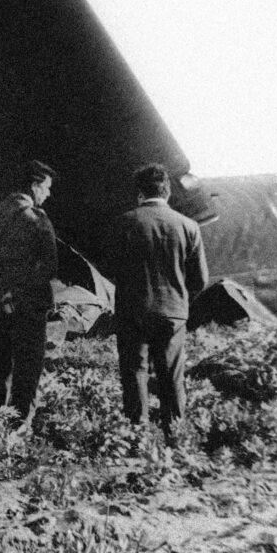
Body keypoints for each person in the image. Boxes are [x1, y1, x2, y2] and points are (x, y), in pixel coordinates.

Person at [103, 163, 208, 440]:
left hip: (133, 310)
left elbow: (109, 267)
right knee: (172, 375)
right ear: (168, 192)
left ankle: (138, 436)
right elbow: (200, 279)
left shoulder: (124, 222)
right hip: (173, 312)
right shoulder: (189, 226)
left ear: (139, 193)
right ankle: (175, 435)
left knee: (135, 371)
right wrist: (180, 298)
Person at [0, 160, 58, 427]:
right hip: (27, 307)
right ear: (34, 185)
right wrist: (19, 293)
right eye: (46, 187)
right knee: (27, 369)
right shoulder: (37, 219)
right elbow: (49, 266)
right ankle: (18, 427)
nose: (48, 194)